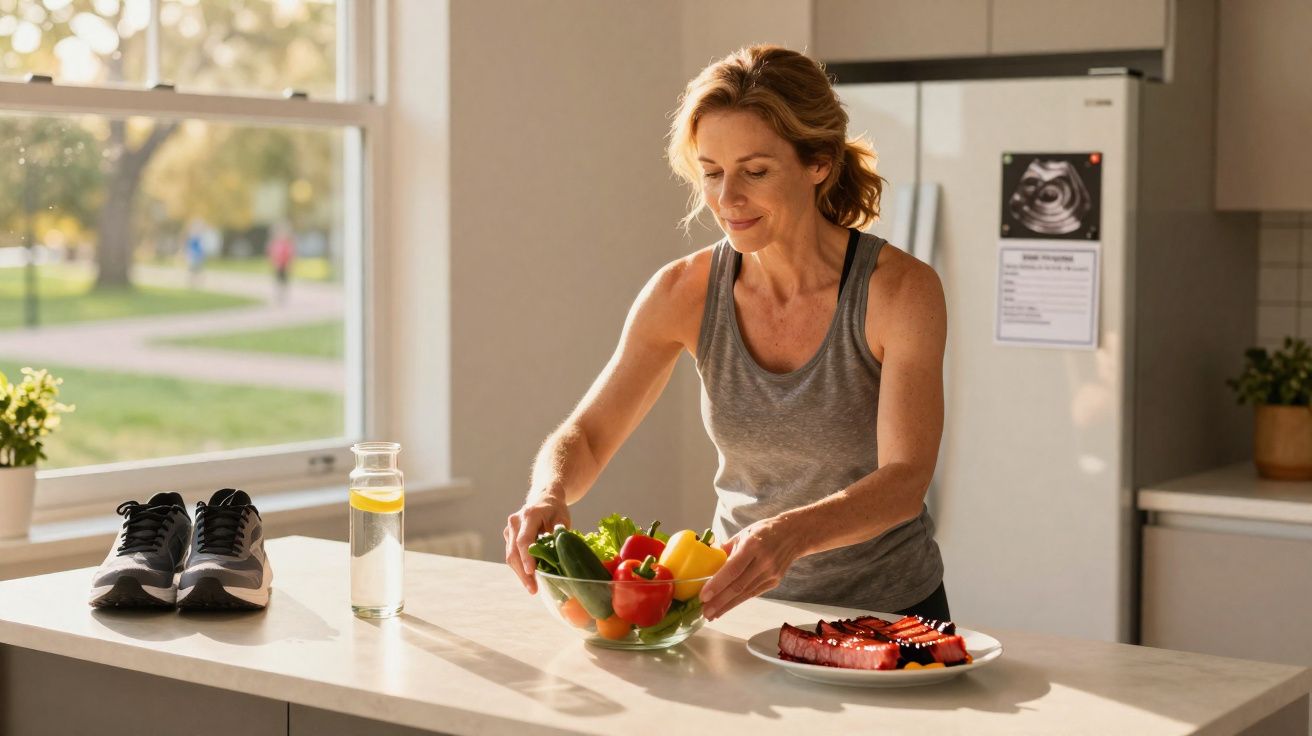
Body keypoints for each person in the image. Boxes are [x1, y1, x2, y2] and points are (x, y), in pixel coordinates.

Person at [503, 45, 949, 623]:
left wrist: (789, 535)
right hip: (737, 612)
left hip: (888, 614)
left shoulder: (899, 291)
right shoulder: (683, 293)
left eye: (755, 172)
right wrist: (548, 493)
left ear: (819, 162)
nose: (727, 198)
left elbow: (903, 481)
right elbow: (587, 436)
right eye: (712, 173)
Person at [267, 222, 295, 304]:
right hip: (278, 265)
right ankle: (279, 295)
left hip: (285, 265)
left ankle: (283, 294)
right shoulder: (275, 244)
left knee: (285, 281)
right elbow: (271, 254)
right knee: (278, 280)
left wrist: (290, 264)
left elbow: (290, 255)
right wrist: (273, 263)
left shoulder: (287, 244)